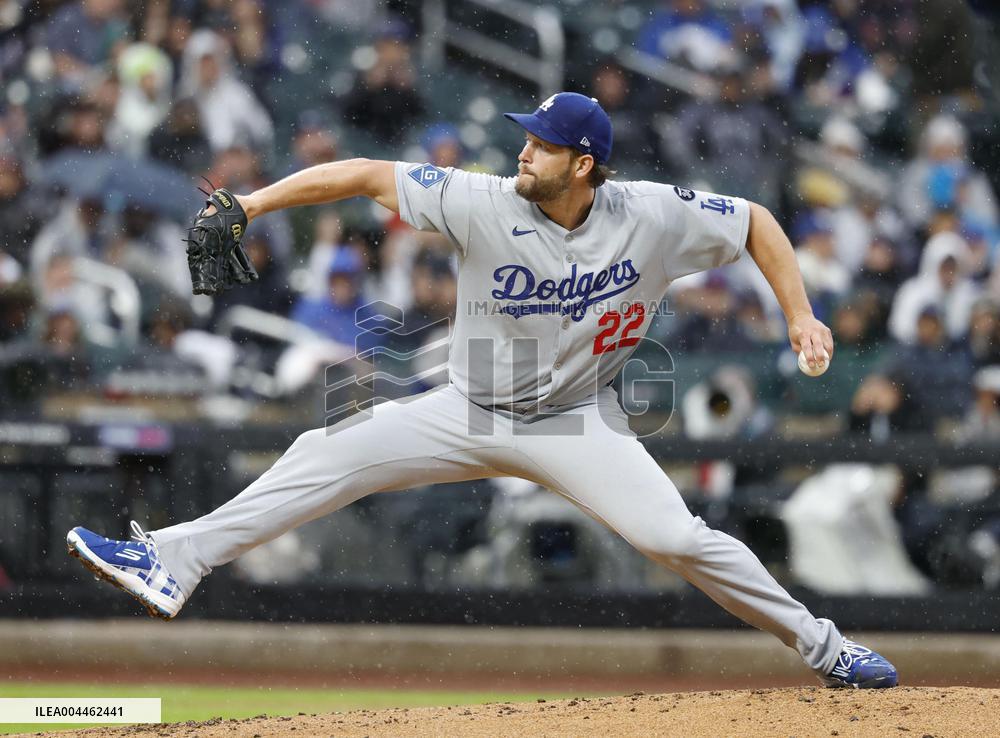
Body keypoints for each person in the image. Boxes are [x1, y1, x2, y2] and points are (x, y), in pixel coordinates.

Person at [66, 92, 897, 689]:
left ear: (584, 164)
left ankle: (827, 648)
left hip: (577, 422)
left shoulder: (650, 214)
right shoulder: (480, 200)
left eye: (539, 144)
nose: (522, 152)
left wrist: (800, 313)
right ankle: (171, 561)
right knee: (324, 448)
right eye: (524, 139)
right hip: (465, 407)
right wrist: (250, 202)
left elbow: (755, 219)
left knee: (678, 539)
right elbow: (359, 173)